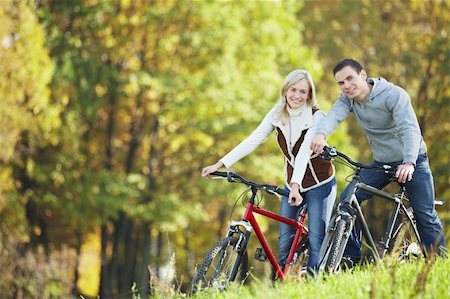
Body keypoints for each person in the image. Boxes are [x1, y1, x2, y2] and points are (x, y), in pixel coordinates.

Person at [310, 58, 447, 262]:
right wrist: (320, 134)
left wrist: (409, 162)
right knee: (348, 200)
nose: (346, 86)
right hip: (382, 163)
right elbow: (334, 116)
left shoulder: (394, 95)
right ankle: (349, 258)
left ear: (363, 75)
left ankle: (439, 263)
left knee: (425, 215)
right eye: (341, 82)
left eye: (350, 78)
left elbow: (409, 128)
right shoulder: (348, 98)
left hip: (413, 160)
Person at [202, 69, 336, 275]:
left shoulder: (317, 117)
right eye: (293, 90)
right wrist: (220, 164)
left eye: (303, 92)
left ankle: (315, 286)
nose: (297, 96)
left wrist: (295, 186)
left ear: (310, 95)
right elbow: (253, 140)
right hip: (292, 182)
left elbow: (302, 154)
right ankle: (287, 286)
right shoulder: (277, 113)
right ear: (285, 90)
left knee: (318, 242)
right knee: (284, 246)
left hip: (319, 184)